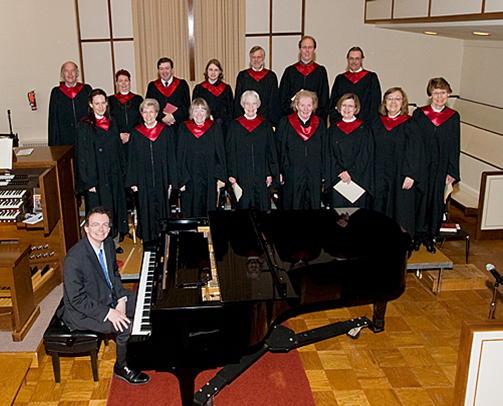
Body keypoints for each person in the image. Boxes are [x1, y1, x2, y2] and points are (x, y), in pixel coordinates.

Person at [57, 206, 150, 385]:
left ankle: (139, 351)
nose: (101, 229)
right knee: (124, 326)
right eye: (96, 225)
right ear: (86, 228)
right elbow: (77, 300)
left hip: (105, 296)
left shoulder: (107, 244)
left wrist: (121, 299)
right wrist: (109, 312)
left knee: (144, 302)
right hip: (81, 313)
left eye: (105, 225)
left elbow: (114, 274)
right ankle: (121, 367)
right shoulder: (74, 259)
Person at [75, 89, 127, 253]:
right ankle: (99, 245)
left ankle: (113, 242)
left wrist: (123, 173)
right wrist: (88, 181)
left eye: (103, 102)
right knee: (100, 211)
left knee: (114, 207)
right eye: (96, 103)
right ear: (91, 104)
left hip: (113, 174)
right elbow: (82, 155)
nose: (100, 106)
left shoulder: (112, 122)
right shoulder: (85, 126)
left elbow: (119, 150)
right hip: (96, 177)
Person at [412, 77, 460, 253]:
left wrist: (452, 170)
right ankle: (417, 236)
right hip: (422, 165)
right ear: (430, 95)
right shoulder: (419, 114)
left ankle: (430, 236)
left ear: (448, 94)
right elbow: (414, 143)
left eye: (443, 93)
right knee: (420, 199)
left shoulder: (453, 117)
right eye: (436, 93)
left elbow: (455, 145)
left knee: (435, 201)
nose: (439, 97)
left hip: (441, 166)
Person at [371, 87, 424, 236]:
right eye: (390, 98)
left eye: (397, 99)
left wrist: (411, 174)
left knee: (400, 209)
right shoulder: (377, 123)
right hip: (379, 174)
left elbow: (415, 151)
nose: (393, 102)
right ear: (384, 102)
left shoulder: (410, 124)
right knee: (379, 206)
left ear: (403, 102)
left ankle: (399, 244)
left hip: (401, 175)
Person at [125, 99, 178, 245]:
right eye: (145, 112)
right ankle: (148, 240)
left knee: (162, 208)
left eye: (152, 112)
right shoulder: (136, 134)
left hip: (162, 178)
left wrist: (172, 180)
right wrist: (133, 181)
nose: (148, 115)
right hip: (143, 180)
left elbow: (171, 157)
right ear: (141, 114)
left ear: (157, 113)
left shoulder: (165, 131)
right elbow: (132, 159)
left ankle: (164, 238)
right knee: (145, 208)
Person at [226, 90, 279, 211]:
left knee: (262, 211)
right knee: (243, 212)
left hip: (262, 176)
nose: (250, 107)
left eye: (254, 104)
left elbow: (271, 151)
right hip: (241, 176)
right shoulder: (235, 126)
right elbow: (230, 152)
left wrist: (269, 172)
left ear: (258, 105)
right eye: (247, 104)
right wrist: (232, 174)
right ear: (242, 105)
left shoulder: (265, 125)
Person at [276, 90, 326, 210]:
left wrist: (323, 172)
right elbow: (279, 149)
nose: (305, 109)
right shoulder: (285, 123)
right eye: (302, 105)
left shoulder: (320, 124)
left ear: (313, 106)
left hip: (314, 174)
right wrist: (279, 171)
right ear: (296, 105)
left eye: (309, 105)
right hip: (292, 174)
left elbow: (325, 150)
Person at [177, 98, 227, 217]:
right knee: (190, 208)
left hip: (210, 176)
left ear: (207, 112)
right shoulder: (184, 128)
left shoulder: (214, 128)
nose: (199, 114)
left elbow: (220, 154)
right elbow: (180, 155)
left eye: (202, 110)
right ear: (191, 113)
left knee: (209, 208)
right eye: (195, 111)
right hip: (190, 177)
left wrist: (220, 177)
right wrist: (182, 179)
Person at [326, 93, 373, 209]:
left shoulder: (364, 129)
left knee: (357, 220)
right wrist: (340, 172)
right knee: (338, 218)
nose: (347, 109)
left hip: (358, 181)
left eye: (351, 106)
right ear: (339, 107)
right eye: (344, 105)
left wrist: (350, 172)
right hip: (337, 180)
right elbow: (328, 154)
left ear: (356, 109)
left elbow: (366, 155)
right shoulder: (332, 129)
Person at [278, 36, 329, 120]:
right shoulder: (290, 71)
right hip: (293, 118)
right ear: (299, 49)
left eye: (310, 47)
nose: (307, 51)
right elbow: (283, 97)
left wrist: (315, 115)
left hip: (314, 119)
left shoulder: (320, 72)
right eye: (304, 47)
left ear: (314, 49)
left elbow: (324, 98)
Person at [329, 46, 381, 124]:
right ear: (347, 59)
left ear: (362, 60)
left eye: (357, 59)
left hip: (365, 124)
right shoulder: (340, 79)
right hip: (343, 123)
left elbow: (375, 104)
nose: (354, 61)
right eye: (351, 58)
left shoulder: (371, 78)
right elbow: (333, 102)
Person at [234, 46, 281, 125]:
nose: (256, 60)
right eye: (253, 57)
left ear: (263, 58)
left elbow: (273, 101)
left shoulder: (271, 76)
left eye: (259, 57)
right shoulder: (243, 76)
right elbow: (238, 99)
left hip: (266, 120)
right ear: (250, 58)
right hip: (246, 119)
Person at [48, 61, 92, 146]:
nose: (70, 73)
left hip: (85, 135)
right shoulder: (56, 93)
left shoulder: (86, 90)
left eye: (73, 70)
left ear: (77, 73)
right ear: (62, 74)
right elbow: (53, 119)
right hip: (64, 138)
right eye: (66, 71)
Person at [146, 57, 190, 134]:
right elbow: (149, 106)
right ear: (158, 71)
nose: (164, 71)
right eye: (161, 69)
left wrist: (173, 116)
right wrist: (162, 117)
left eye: (167, 68)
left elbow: (186, 105)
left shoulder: (182, 84)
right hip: (159, 127)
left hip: (178, 126)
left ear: (172, 69)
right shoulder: (152, 86)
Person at [192, 59, 234, 136]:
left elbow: (230, 109)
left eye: (216, 70)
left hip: (222, 126)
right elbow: (195, 108)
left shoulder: (226, 89)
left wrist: (219, 121)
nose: (213, 73)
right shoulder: (199, 88)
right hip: (203, 125)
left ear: (220, 72)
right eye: (210, 69)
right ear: (207, 71)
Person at [108, 69, 144, 151]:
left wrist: (132, 135)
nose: (123, 84)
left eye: (126, 80)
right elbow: (109, 120)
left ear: (130, 81)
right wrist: (119, 134)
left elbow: (142, 120)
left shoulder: (138, 99)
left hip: (135, 138)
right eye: (120, 81)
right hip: (117, 139)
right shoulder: (110, 100)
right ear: (116, 83)